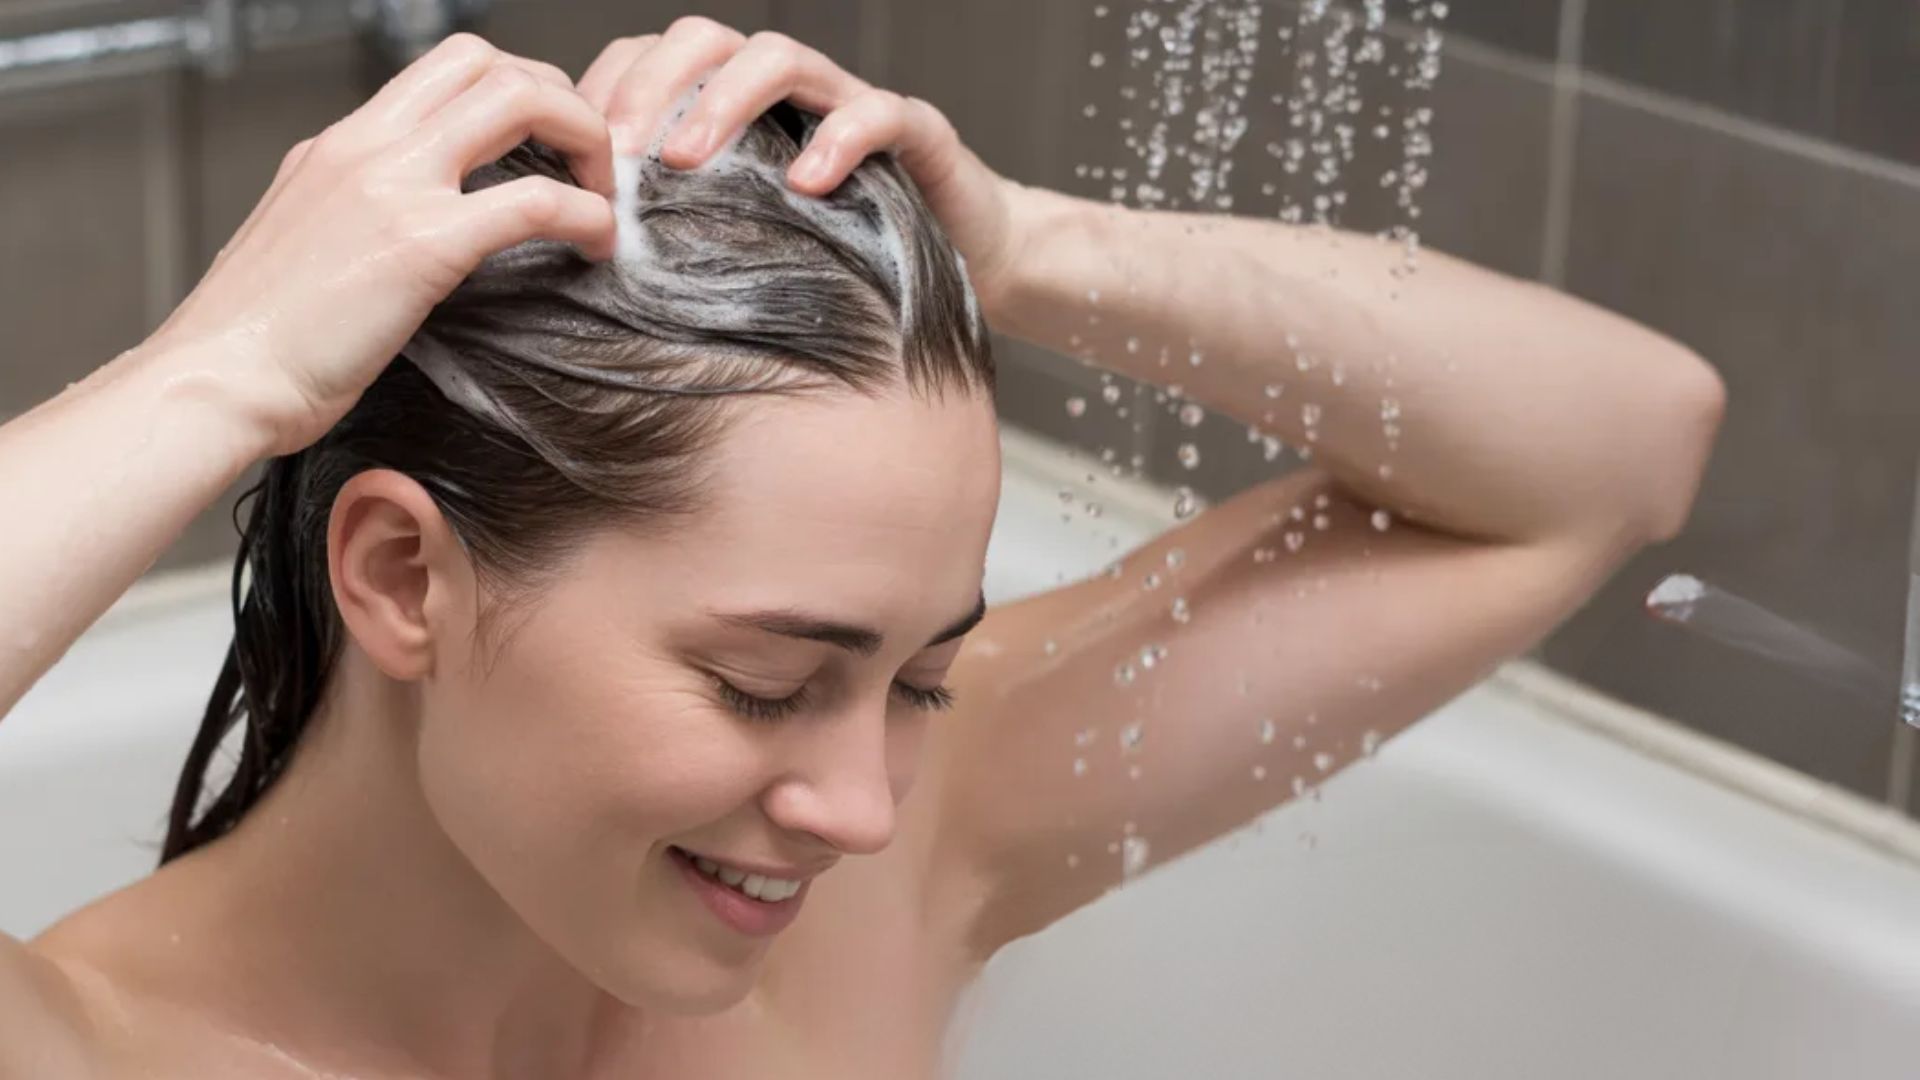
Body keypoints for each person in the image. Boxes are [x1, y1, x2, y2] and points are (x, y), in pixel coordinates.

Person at [0, 18, 1725, 1079]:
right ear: (398, 579)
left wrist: (1027, 249)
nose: (867, 805)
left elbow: (1622, 448)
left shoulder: (888, 878)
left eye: (922, 679)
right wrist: (217, 372)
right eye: (765, 684)